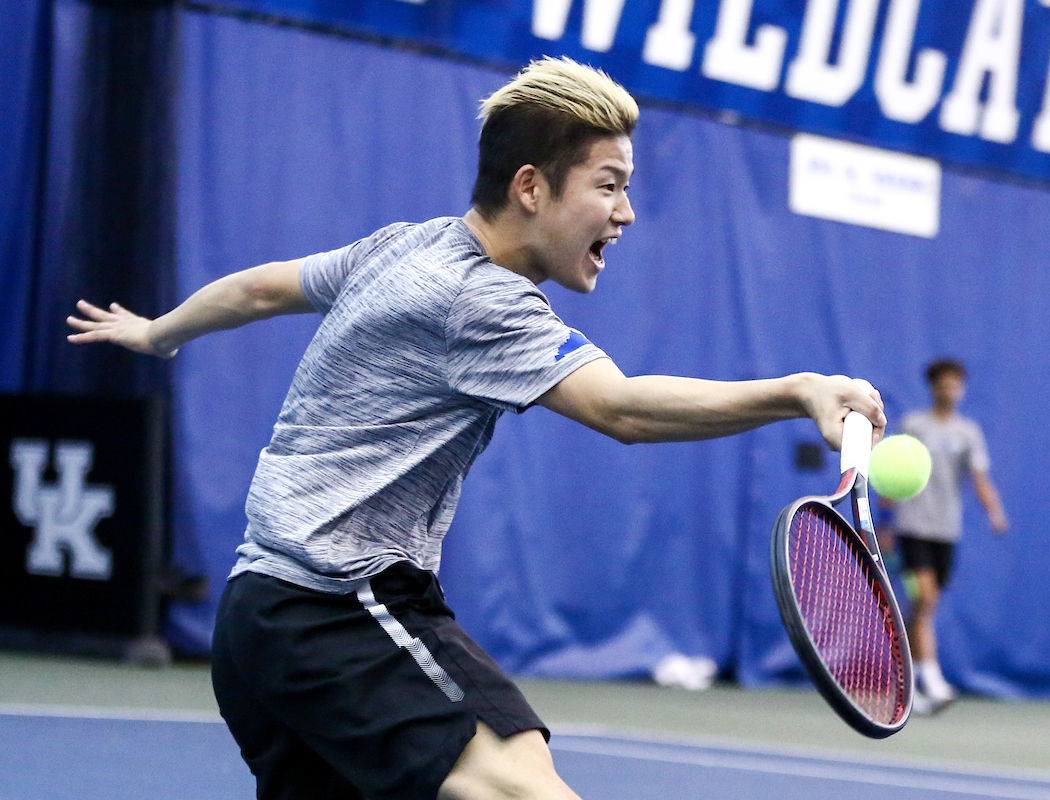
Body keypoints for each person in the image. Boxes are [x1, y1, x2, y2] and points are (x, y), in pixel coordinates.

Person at [67, 57, 887, 800]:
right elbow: (622, 409)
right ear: (531, 188)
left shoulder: (401, 247)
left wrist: (158, 332)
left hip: (259, 621)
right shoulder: (483, 301)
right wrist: (797, 390)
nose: (626, 213)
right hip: (336, 607)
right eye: (607, 185)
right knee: (522, 782)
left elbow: (257, 291)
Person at [891, 358, 1007, 714]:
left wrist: (994, 511)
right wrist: (884, 521)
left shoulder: (968, 432)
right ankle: (934, 681)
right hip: (912, 529)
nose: (949, 390)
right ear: (933, 387)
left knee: (924, 607)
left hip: (946, 533)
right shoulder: (914, 425)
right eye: (943, 383)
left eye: (956, 384)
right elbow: (893, 471)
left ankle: (908, 682)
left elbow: (979, 478)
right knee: (923, 600)